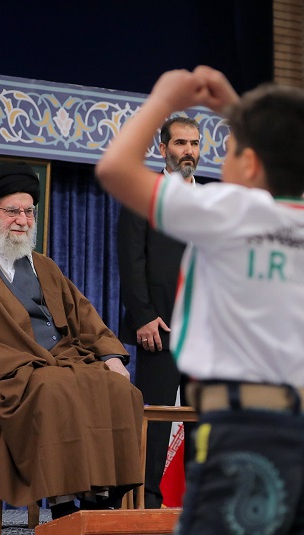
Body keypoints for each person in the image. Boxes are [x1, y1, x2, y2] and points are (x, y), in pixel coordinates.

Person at [96, 66, 304, 535]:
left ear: (244, 162)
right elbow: (281, 164)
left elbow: (114, 169)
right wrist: (244, 116)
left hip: (245, 437)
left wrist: (165, 96)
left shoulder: (222, 212)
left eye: (232, 146)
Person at [0, 163, 143, 518]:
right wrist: (20, 361)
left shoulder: (43, 266)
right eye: (12, 211)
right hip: (11, 368)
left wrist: (111, 357)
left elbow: (84, 315)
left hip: (62, 360)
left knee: (120, 389)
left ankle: (99, 495)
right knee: (54, 388)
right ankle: (61, 500)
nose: (23, 220)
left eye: (29, 211)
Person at [116, 116, 199, 509]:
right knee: (158, 419)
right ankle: (148, 503)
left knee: (206, 421)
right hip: (160, 328)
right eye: (180, 143)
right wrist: (144, 316)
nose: (189, 151)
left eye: (195, 144)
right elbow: (130, 262)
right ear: (162, 149)